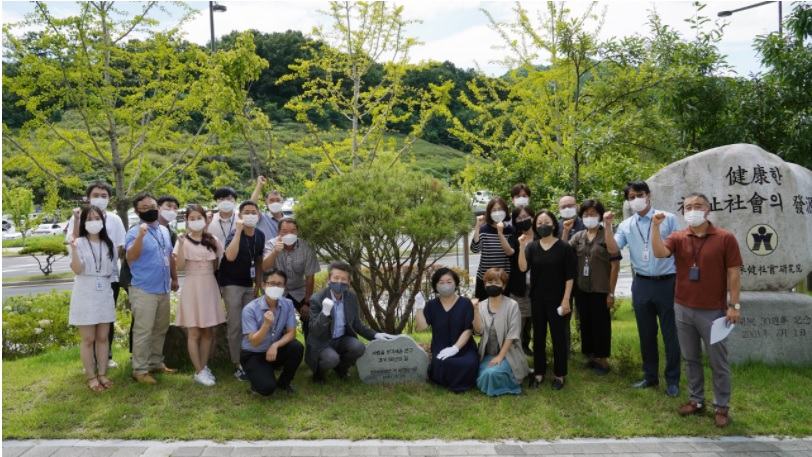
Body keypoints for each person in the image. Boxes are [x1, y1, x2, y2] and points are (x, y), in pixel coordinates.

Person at [650, 193, 742, 427]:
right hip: (682, 307)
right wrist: (655, 227)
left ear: (708, 210)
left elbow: (733, 273)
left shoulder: (725, 238)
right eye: (688, 206)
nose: (692, 210)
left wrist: (734, 305)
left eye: (697, 206)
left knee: (718, 361)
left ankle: (722, 406)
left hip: (713, 311)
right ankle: (696, 399)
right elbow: (660, 253)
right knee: (690, 358)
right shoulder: (678, 237)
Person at [608, 180, 682, 397]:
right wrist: (607, 226)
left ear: (648, 196)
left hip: (667, 281)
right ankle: (650, 377)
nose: (636, 200)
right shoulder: (626, 225)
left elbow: (681, 248)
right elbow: (614, 249)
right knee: (646, 333)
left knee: (671, 334)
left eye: (639, 195)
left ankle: (672, 381)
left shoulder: (668, 219)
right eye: (631, 197)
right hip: (641, 283)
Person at [66, 181, 126, 369]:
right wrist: (77, 220)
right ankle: (90, 363)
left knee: (104, 322)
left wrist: (104, 260)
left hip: (109, 278)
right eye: (96, 195)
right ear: (88, 197)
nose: (100, 198)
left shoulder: (115, 220)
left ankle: (105, 359)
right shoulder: (78, 218)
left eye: (104, 195)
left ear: (109, 198)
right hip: (87, 280)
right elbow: (75, 241)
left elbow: (118, 246)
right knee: (89, 327)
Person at [306, 261, 396, 384]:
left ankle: (340, 370)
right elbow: (314, 330)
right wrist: (325, 313)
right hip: (323, 340)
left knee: (358, 348)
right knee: (331, 359)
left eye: (343, 279)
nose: (339, 282)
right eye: (336, 278)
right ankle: (319, 376)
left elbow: (357, 324)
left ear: (348, 282)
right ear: (328, 279)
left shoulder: (351, 297)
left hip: (342, 338)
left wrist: (376, 335)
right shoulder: (317, 298)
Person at [518, 210, 576, 390]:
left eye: (546, 222)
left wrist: (566, 300)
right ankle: (539, 373)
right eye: (539, 222)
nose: (543, 225)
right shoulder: (532, 247)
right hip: (537, 299)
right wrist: (521, 246)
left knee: (559, 337)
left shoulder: (564, 247)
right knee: (539, 338)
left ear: (554, 224)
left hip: (558, 300)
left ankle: (559, 375)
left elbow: (570, 276)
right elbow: (523, 268)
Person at [562, 200, 621, 375]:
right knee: (585, 323)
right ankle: (592, 357)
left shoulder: (606, 235)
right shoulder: (579, 236)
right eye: (586, 215)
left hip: (601, 289)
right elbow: (563, 250)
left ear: (600, 216)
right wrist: (565, 231)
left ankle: (603, 361)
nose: (589, 218)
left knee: (600, 324)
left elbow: (615, 263)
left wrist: (611, 292)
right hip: (582, 288)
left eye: (593, 214)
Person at [126, 193, 179, 384]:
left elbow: (170, 257)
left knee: (160, 329)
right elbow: (131, 256)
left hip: (163, 288)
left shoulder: (164, 231)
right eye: (146, 208)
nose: (151, 210)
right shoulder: (133, 232)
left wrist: (174, 279)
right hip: (144, 289)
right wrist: (140, 235)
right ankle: (139, 370)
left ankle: (155, 363)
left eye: (154, 206)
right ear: (136, 211)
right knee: (143, 330)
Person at [172, 204, 226, 387]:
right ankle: (198, 370)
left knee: (208, 331)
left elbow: (216, 264)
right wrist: (179, 244)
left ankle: (204, 366)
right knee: (193, 332)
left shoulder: (213, 239)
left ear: (205, 219)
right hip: (192, 286)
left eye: (199, 217)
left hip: (209, 286)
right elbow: (179, 266)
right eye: (192, 218)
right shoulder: (182, 240)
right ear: (186, 220)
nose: (196, 221)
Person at [68, 205, 119, 391]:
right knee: (88, 338)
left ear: (103, 221)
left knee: (103, 337)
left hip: (104, 290)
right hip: (85, 290)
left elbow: (112, 269)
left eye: (97, 218)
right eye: (89, 219)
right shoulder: (78, 242)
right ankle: (91, 377)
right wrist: (73, 249)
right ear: (83, 223)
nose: (94, 222)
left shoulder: (109, 243)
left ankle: (103, 374)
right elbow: (77, 269)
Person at [219, 201, 266, 381]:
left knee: (252, 322)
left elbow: (259, 259)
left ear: (259, 215)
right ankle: (237, 363)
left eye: (253, 212)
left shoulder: (260, 235)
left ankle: (251, 357)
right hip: (231, 283)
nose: (250, 215)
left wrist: (258, 283)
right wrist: (238, 231)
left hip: (249, 283)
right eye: (246, 212)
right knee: (235, 324)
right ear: (239, 215)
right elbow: (230, 256)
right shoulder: (234, 234)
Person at [241, 269, 305, 396]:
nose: (276, 287)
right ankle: (255, 378)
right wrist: (266, 325)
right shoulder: (250, 309)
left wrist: (275, 345)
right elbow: (254, 342)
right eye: (272, 283)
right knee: (267, 388)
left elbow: (291, 333)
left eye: (279, 284)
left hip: (272, 350)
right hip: (253, 353)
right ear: (264, 285)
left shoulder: (287, 304)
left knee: (296, 347)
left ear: (284, 288)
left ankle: (284, 382)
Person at [414, 267, 478, 393]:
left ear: (456, 284)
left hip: (464, 347)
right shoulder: (432, 305)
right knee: (443, 363)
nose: (445, 285)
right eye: (441, 282)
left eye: (449, 282)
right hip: (440, 346)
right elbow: (422, 327)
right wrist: (419, 307)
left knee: (468, 363)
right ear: (435, 286)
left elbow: (468, 330)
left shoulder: (465, 304)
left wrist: (455, 348)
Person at [473, 268, 530, 396]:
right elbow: (478, 331)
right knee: (485, 373)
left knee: (491, 373)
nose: (493, 285)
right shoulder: (481, 305)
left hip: (508, 354)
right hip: (487, 354)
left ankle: (508, 378)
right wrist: (475, 311)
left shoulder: (512, 305)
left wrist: (500, 356)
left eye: (497, 283)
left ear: (503, 286)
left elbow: (512, 334)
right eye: (490, 282)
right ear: (485, 284)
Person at [261, 217, 320, 340]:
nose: (289, 234)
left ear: (297, 232)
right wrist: (274, 252)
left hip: (299, 288)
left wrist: (307, 302)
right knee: (274, 318)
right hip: (277, 290)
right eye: (285, 231)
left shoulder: (306, 248)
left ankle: (312, 351)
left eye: (292, 231)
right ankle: (278, 347)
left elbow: (310, 277)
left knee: (311, 316)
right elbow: (264, 267)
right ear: (279, 232)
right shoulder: (271, 245)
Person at [470, 196, 514, 301]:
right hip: (485, 278)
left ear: (505, 211)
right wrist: (477, 227)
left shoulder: (510, 230)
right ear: (489, 213)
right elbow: (475, 249)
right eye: (494, 210)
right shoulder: (484, 229)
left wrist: (501, 232)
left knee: (503, 311)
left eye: (500, 209)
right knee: (483, 310)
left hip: (504, 279)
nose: (497, 213)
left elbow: (511, 252)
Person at [507, 205, 534, 356]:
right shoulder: (514, 238)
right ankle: (515, 350)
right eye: (519, 218)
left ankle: (532, 348)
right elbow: (509, 253)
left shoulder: (542, 236)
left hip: (540, 286)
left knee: (536, 320)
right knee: (519, 320)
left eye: (526, 216)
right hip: (519, 286)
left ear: (533, 217)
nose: (523, 220)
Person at [250, 176, 286, 240]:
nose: (275, 203)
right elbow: (251, 205)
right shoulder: (262, 218)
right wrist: (259, 185)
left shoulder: (289, 220)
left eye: (278, 200)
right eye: (271, 200)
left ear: (282, 201)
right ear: (266, 203)